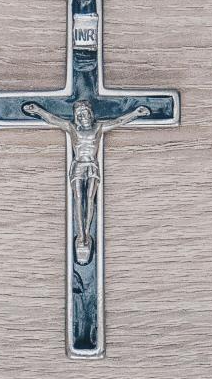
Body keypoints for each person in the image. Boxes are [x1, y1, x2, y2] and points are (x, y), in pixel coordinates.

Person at [21, 99, 147, 264]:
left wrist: (136, 113)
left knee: (89, 199)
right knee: (78, 199)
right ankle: (81, 236)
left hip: (92, 166)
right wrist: (38, 110)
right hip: (78, 166)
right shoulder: (72, 128)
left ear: (90, 114)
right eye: (79, 115)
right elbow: (53, 119)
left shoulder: (98, 128)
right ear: (76, 117)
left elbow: (118, 121)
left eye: (85, 113)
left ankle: (86, 233)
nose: (83, 117)